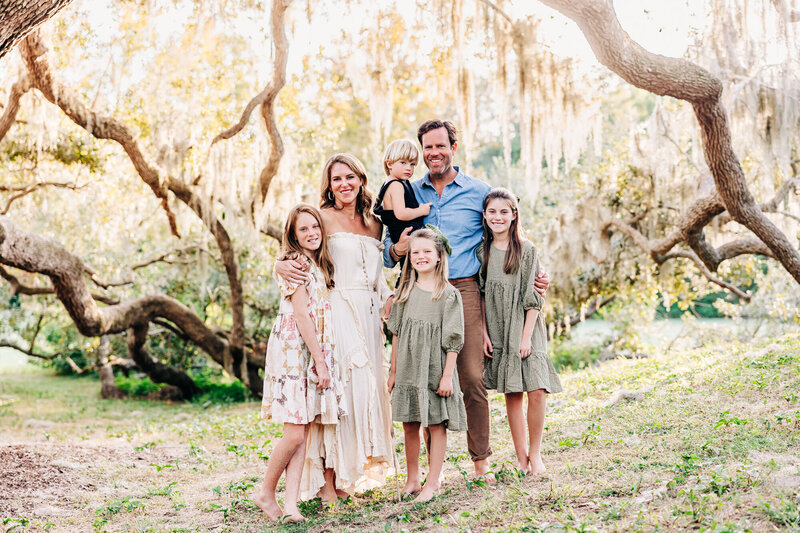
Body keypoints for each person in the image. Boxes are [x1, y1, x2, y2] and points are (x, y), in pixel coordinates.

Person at [384, 119, 551, 479]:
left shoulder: (478, 191)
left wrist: (534, 274)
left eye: (440, 146)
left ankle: (481, 461)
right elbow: (388, 248)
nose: (434, 153)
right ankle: (433, 471)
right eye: (427, 147)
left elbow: (502, 234)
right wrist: (397, 249)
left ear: (453, 148)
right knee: (428, 377)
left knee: (473, 377)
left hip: (466, 289)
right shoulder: (408, 192)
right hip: (421, 289)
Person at [275, 154, 394, 502]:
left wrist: (391, 306)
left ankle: (349, 478)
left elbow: (376, 277)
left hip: (370, 316)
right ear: (329, 184)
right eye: (336, 179)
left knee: (365, 394)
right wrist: (278, 265)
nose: (344, 184)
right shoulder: (322, 218)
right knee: (339, 396)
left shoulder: (375, 224)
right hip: (336, 310)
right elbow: (296, 246)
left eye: (350, 177)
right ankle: (329, 485)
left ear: (361, 180)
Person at [255, 204, 343, 522]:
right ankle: (266, 491)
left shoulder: (316, 264)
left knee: (302, 431)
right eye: (303, 229)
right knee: (294, 433)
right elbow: (302, 315)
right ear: (292, 235)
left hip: (309, 348)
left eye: (314, 226)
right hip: (295, 351)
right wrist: (320, 362)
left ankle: (290, 505)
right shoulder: (296, 262)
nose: (311, 233)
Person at [479, 188, 562, 475]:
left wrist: (526, 337)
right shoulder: (482, 251)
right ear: (485, 215)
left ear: (514, 215)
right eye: (492, 211)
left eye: (504, 211)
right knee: (512, 393)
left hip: (526, 326)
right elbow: (479, 296)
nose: (498, 217)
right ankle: (521, 457)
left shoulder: (527, 250)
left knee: (537, 390)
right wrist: (484, 333)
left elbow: (534, 296)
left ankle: (536, 454)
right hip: (498, 328)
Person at [387, 228, 467, 502]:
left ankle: (432, 483)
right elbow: (396, 332)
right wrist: (393, 371)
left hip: (435, 367)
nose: (420, 257)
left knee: (435, 423)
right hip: (408, 365)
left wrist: (447, 376)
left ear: (438, 257)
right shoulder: (405, 290)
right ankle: (412, 479)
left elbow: (453, 340)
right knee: (409, 422)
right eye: (415, 252)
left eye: (426, 252)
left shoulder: (448, 294)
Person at [373, 139, 432, 270]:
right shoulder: (396, 185)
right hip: (404, 232)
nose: (408, 168)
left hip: (402, 232)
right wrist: (421, 211)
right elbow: (401, 213)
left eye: (412, 164)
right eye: (403, 162)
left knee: (409, 267)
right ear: (389, 164)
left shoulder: (394, 182)